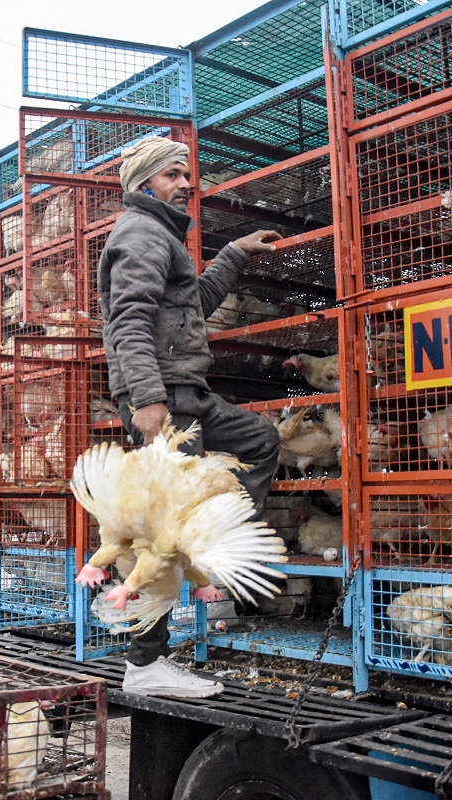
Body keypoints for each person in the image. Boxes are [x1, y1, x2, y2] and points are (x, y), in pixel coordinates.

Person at [94, 136, 282, 698]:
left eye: (186, 177)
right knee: (164, 536)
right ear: (144, 182)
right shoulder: (141, 234)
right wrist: (147, 399)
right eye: (174, 175)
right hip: (166, 398)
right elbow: (128, 319)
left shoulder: (162, 237)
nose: (184, 185)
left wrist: (236, 253)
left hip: (186, 394)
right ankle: (145, 663)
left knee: (259, 440)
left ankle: (210, 546)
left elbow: (191, 306)